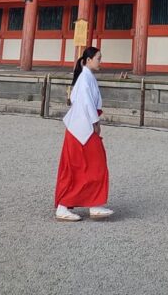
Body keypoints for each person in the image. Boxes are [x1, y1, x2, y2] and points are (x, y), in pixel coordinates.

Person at [54, 46, 113, 222]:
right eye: (98, 58)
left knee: (92, 165)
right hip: (82, 129)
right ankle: (63, 206)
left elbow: (77, 100)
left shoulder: (87, 78)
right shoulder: (85, 79)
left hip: (81, 128)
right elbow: (86, 103)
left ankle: (94, 204)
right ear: (88, 60)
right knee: (82, 166)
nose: (100, 62)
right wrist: (95, 122)